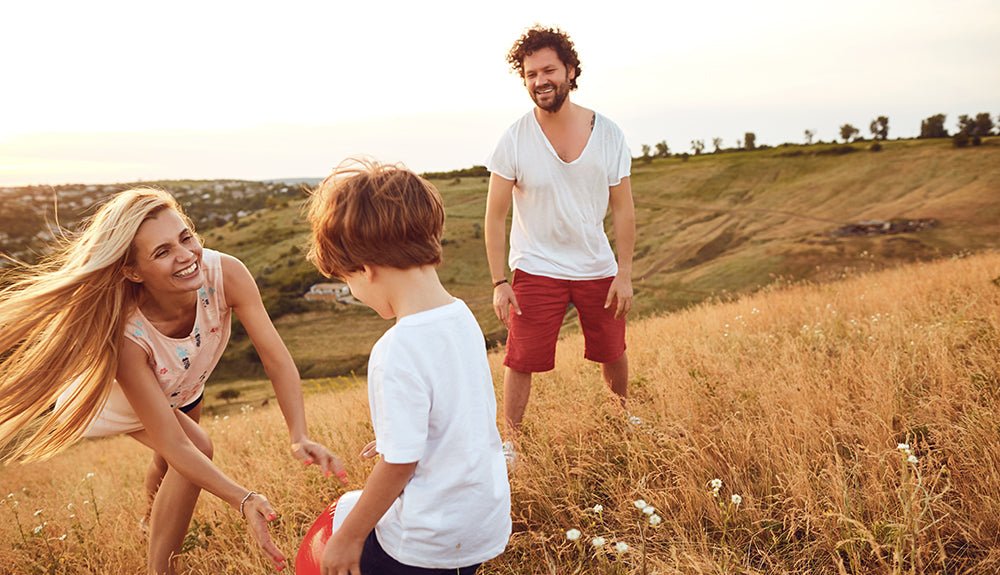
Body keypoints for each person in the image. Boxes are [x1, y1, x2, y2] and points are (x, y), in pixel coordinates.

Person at [0, 187, 345, 574]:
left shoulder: (226, 273)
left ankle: (150, 518)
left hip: (182, 383)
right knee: (192, 447)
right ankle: (160, 568)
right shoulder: (127, 334)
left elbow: (276, 360)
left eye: (185, 237)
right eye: (162, 252)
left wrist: (299, 433)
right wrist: (243, 498)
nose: (185, 256)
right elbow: (175, 442)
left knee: (168, 463)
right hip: (111, 402)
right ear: (132, 271)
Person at [305, 158, 511, 574]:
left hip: (426, 541)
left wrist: (348, 539)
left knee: (336, 540)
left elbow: (400, 465)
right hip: (480, 525)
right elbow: (455, 410)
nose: (355, 292)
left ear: (365, 269)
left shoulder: (395, 349)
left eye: (348, 281)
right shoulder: (461, 316)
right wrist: (392, 438)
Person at [484, 25, 636, 438]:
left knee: (612, 351)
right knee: (520, 359)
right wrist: (500, 281)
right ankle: (510, 443)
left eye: (548, 70)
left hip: (596, 265)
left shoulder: (607, 133)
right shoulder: (514, 138)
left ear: (570, 70)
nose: (540, 81)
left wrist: (623, 274)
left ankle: (620, 419)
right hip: (537, 266)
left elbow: (623, 208)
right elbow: (495, 215)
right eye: (531, 75)